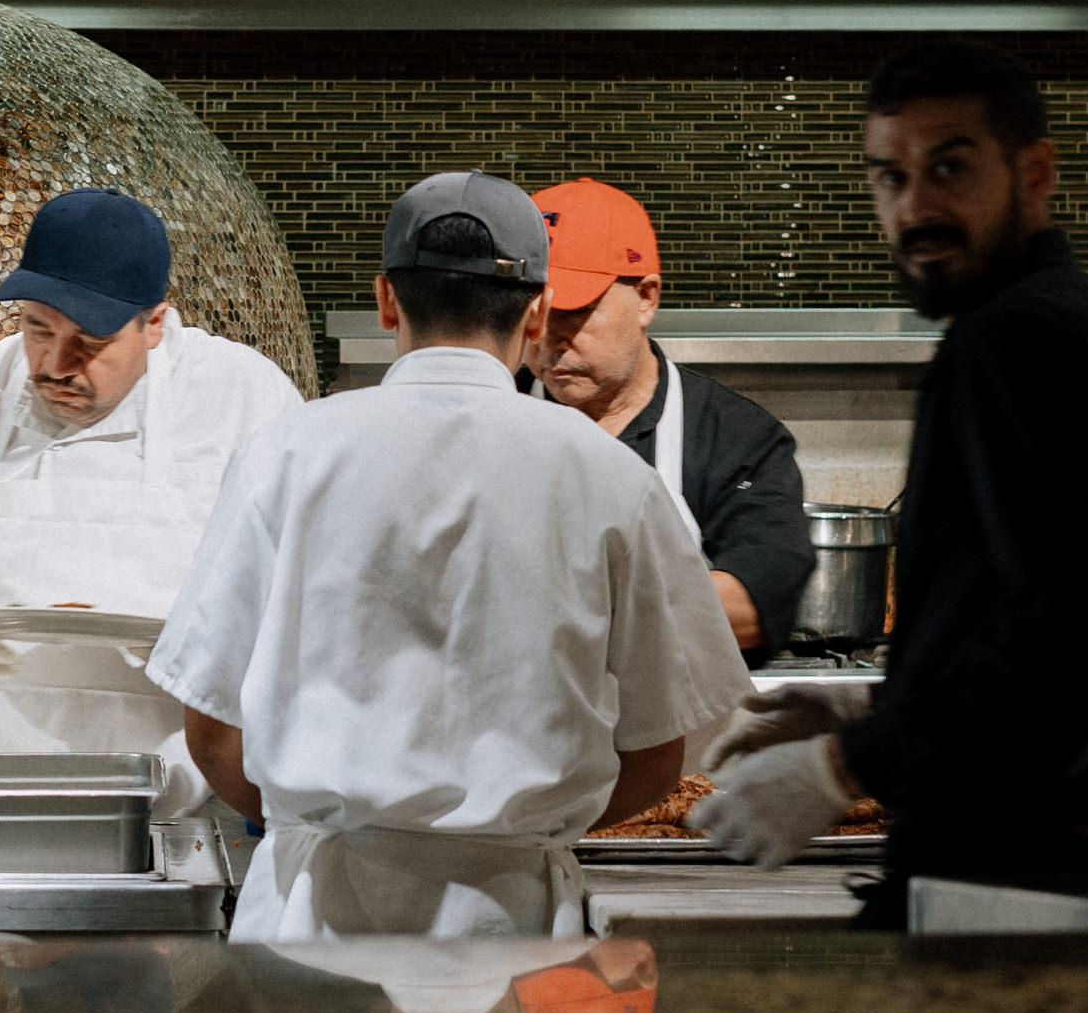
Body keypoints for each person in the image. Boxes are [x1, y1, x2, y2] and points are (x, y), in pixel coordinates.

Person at [147, 172, 742, 939]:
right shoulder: (612, 478)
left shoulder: (283, 453)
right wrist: (530, 826)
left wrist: (310, 819)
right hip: (514, 918)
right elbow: (658, 756)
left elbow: (210, 726)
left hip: (310, 916)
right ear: (536, 312)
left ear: (386, 300)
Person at [694, 41, 1088, 925]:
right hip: (1055, 872)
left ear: (1034, 173)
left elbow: (1059, 640)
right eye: (890, 177)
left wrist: (842, 766)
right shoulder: (1065, 322)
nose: (916, 208)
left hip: (1024, 882)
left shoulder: (1014, 340)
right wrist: (870, 702)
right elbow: (1036, 614)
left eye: (950, 168)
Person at [0, 188, 300, 801]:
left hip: (188, 791)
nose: (56, 364)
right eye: (37, 329)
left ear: (155, 324)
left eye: (91, 343)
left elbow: (303, 589)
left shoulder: (244, 399)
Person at [533, 178, 813, 658]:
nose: (549, 337)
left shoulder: (735, 437)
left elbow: (750, 606)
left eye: (575, 312)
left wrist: (557, 610)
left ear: (646, 297)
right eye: (534, 310)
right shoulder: (492, 413)